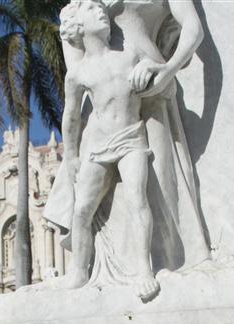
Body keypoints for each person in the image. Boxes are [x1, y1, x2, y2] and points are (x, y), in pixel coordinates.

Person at [51, 0, 157, 300]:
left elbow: (159, 66)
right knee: (82, 210)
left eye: (100, 7)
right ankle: (79, 270)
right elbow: (70, 117)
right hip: (97, 146)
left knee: (138, 199)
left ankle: (144, 270)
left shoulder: (130, 54)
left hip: (131, 138)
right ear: (77, 27)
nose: (99, 10)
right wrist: (71, 155)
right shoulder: (78, 73)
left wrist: (150, 65)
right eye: (90, 9)